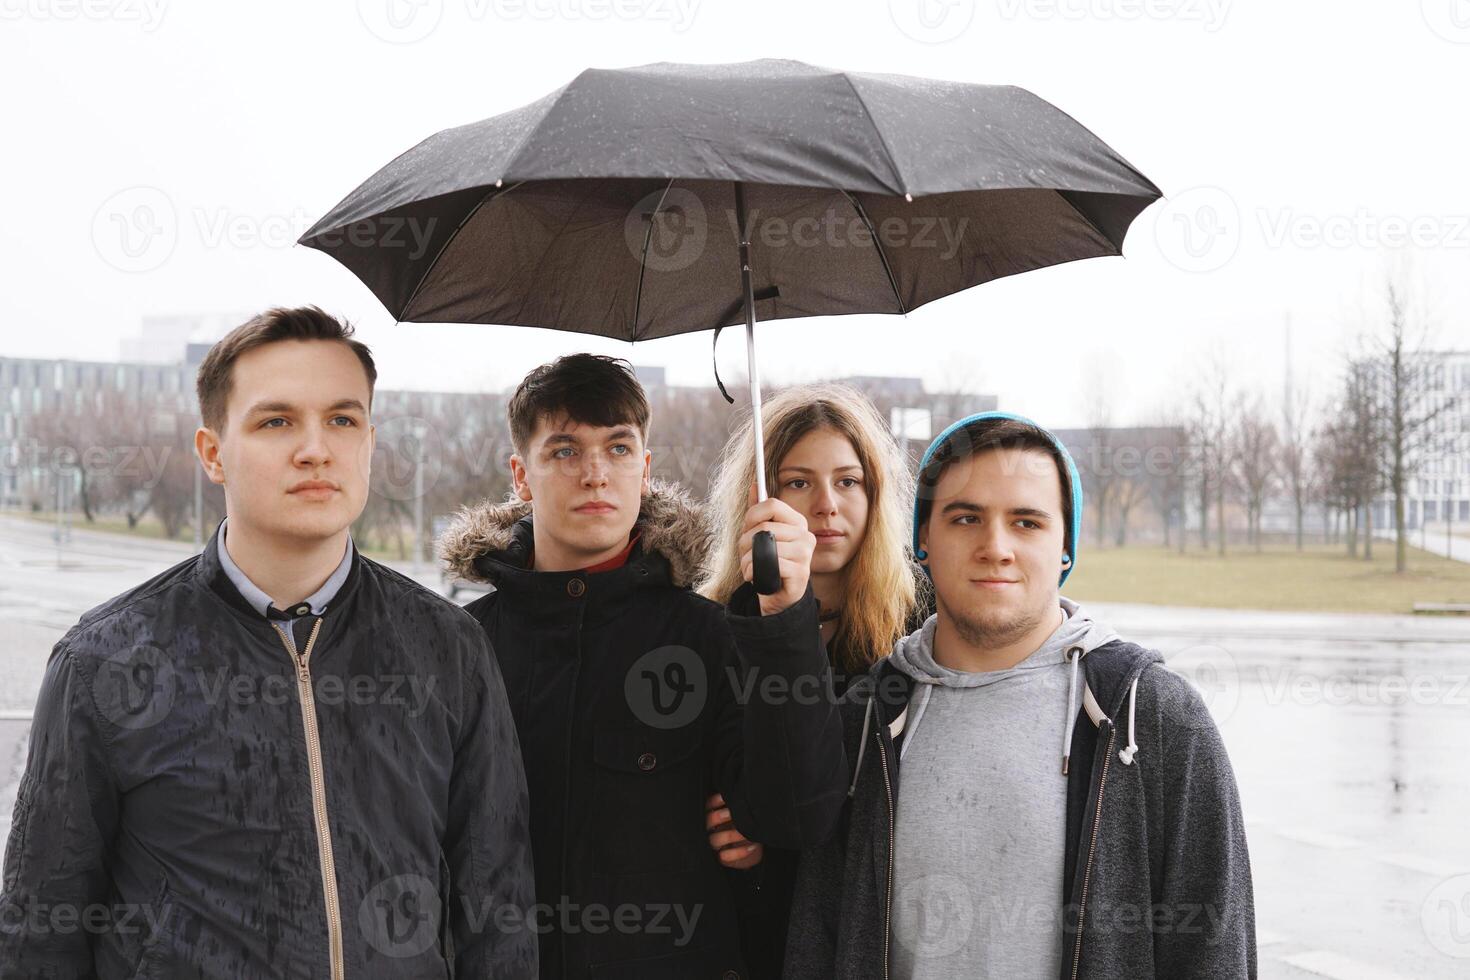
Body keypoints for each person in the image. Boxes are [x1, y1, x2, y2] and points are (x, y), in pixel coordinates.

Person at [0, 307, 536, 978]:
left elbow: (498, 908)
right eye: (276, 421)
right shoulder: (107, 660)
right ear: (213, 454)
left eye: (342, 420)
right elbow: (38, 927)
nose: (315, 448)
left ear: (369, 442)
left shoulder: (449, 647)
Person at [783, 411, 1256, 980]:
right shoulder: (864, 720)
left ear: (1065, 545)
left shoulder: (1151, 718)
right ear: (924, 540)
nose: (996, 547)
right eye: (965, 518)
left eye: (1027, 522)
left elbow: (1214, 954)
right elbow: (816, 941)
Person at [437, 354, 847, 979]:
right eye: (566, 452)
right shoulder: (462, 645)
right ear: (522, 475)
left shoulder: (711, 635)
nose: (596, 474)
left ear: (646, 469)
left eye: (619, 448)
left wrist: (787, 611)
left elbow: (797, 816)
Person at [697, 383, 928, 977]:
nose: (827, 505)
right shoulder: (713, 628)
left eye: (848, 481)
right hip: (760, 940)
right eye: (798, 482)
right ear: (759, 497)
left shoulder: (922, 627)